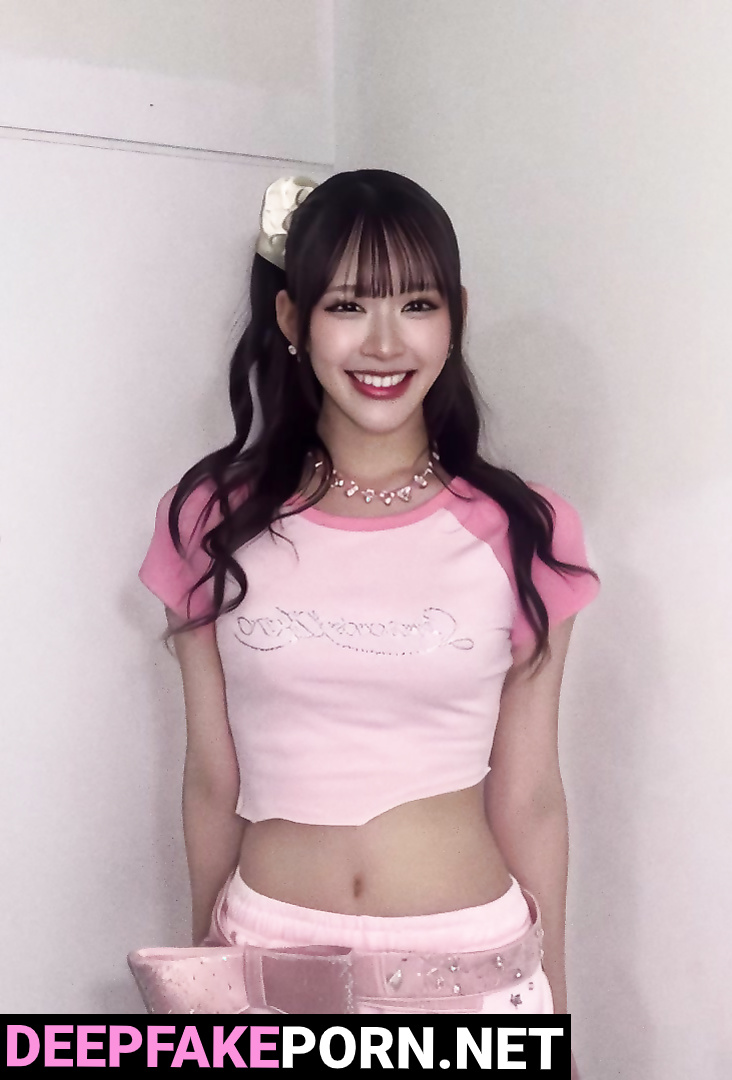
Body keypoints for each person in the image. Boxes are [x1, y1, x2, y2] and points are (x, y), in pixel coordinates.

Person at [137, 169, 600, 1020]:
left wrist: (558, 1014)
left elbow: (532, 793)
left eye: (417, 304)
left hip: (471, 975)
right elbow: (209, 775)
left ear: (455, 317)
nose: (384, 343)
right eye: (348, 306)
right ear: (293, 319)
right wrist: (203, 979)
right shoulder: (211, 520)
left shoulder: (525, 528)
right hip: (266, 958)